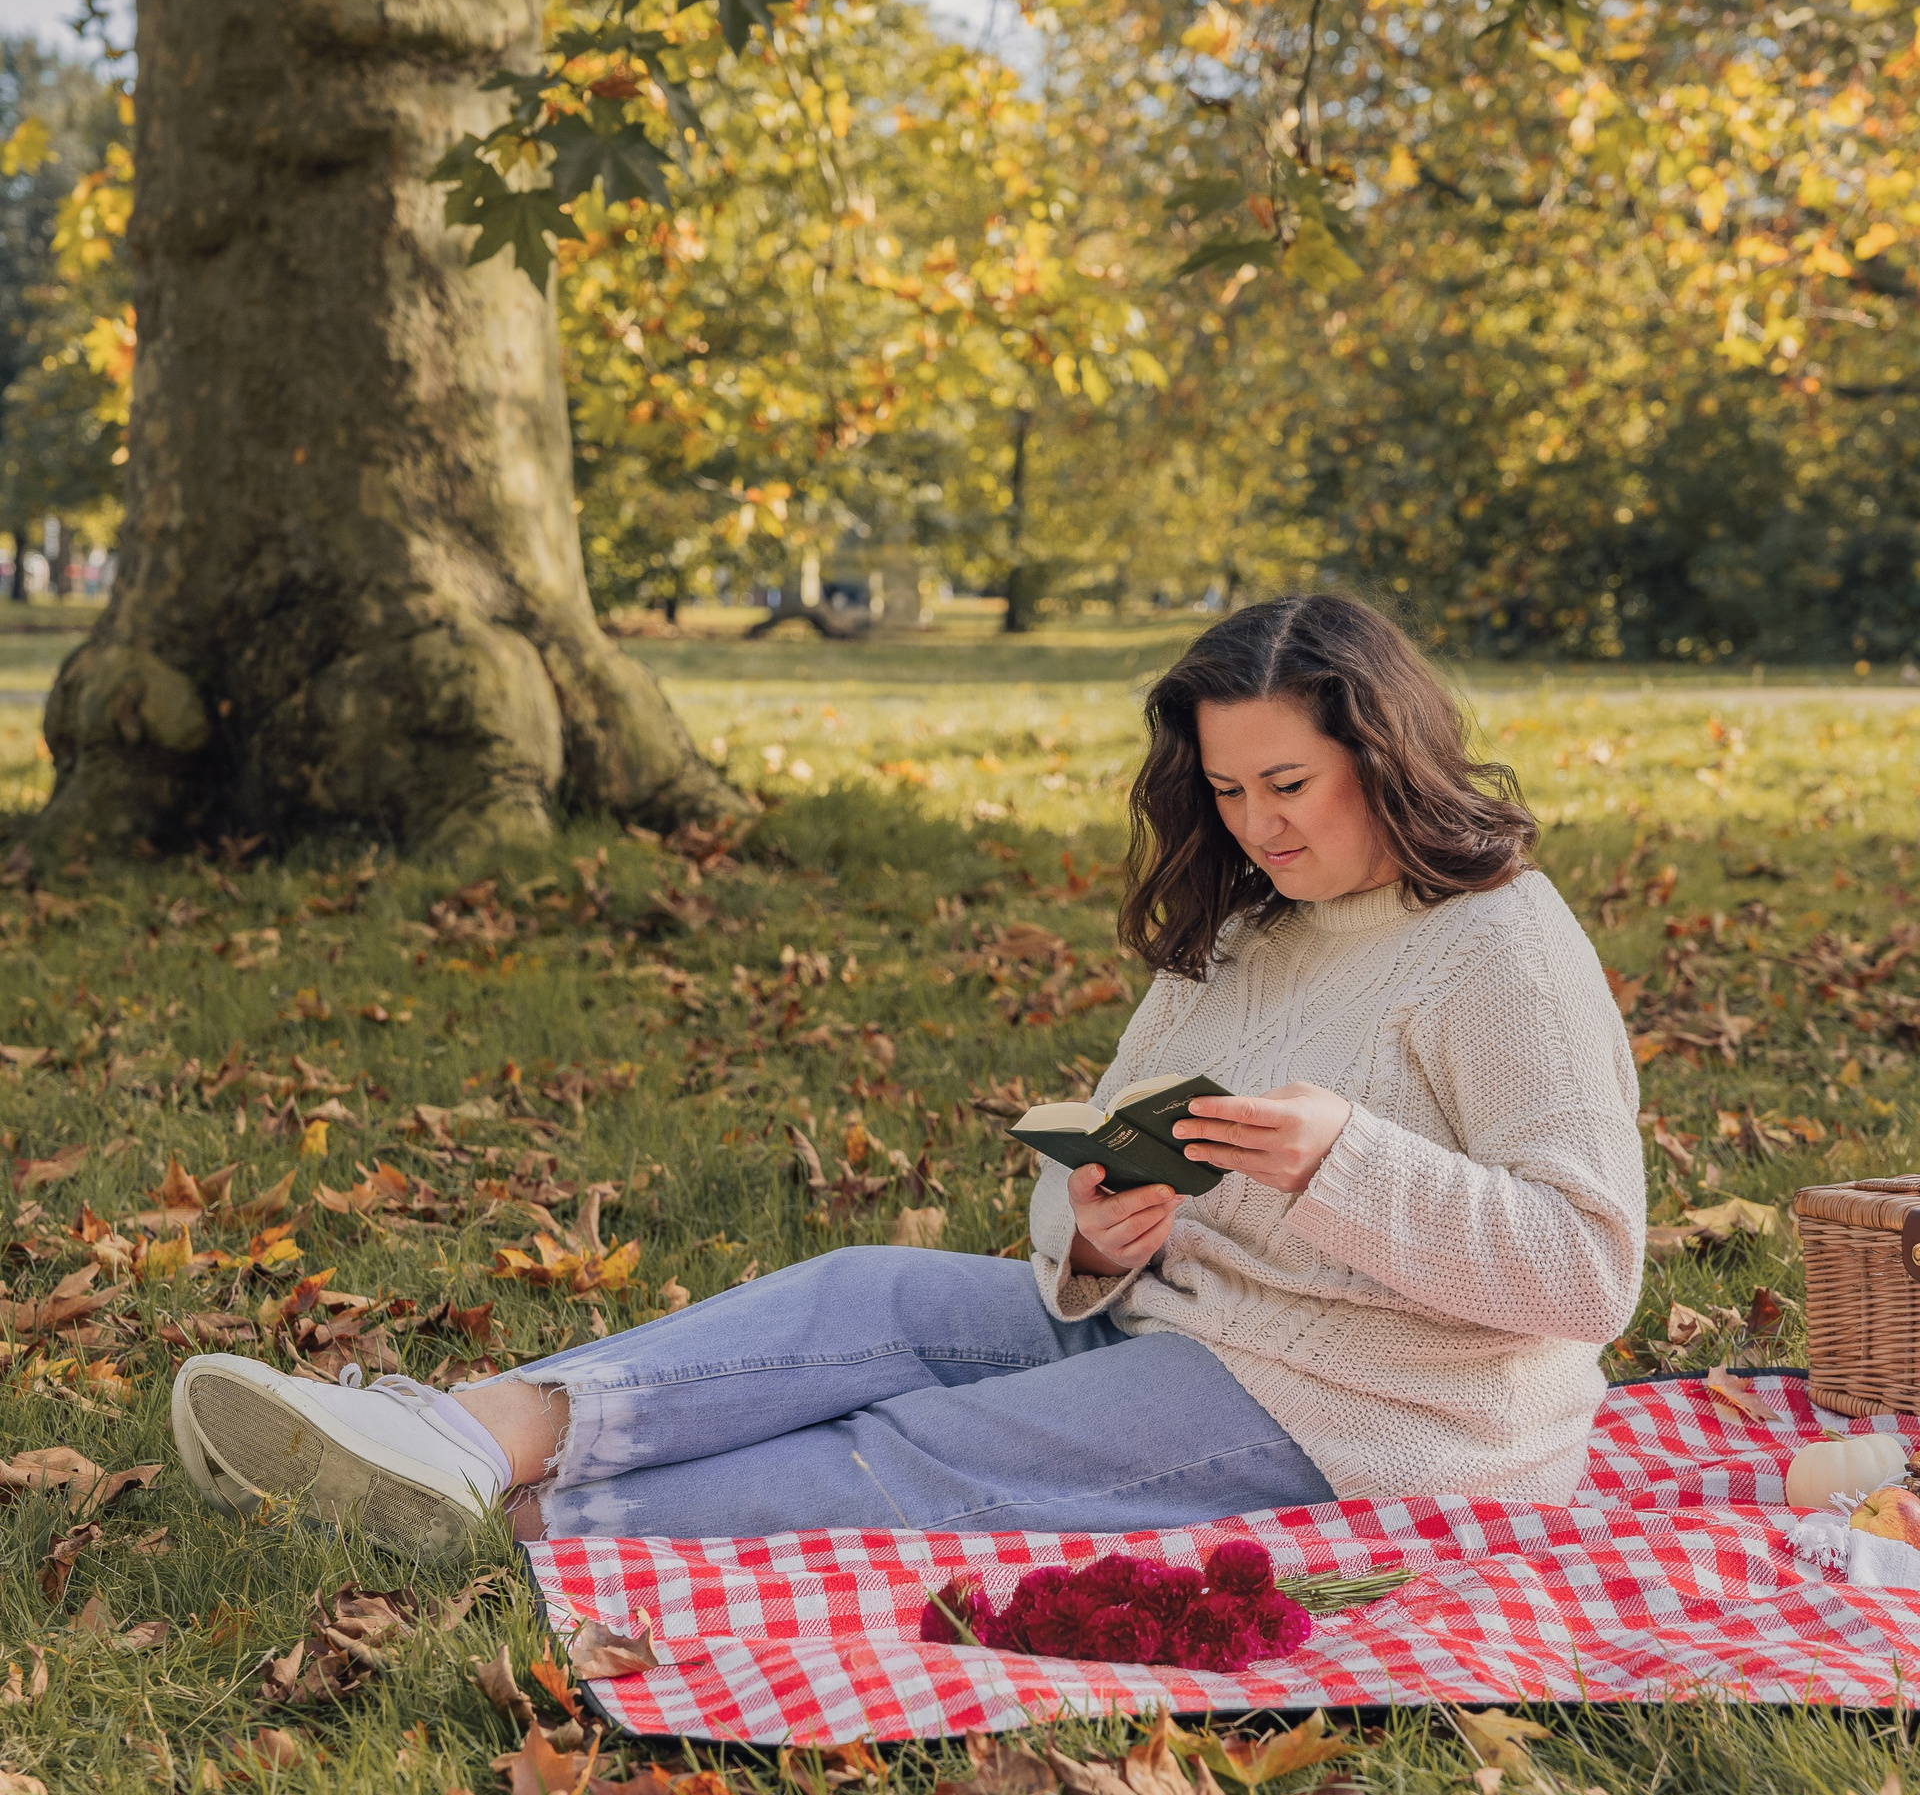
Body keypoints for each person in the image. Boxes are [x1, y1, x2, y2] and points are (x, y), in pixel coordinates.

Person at [169, 592, 1645, 1555]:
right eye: (1226, 790)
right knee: (860, 1294)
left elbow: (1589, 1271)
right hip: (1185, 1328)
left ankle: (499, 1529)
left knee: (913, 1454)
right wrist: (1094, 1232)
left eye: (1289, 785)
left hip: (1380, 1422)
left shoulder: (1497, 945)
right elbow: (1095, 1161)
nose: (1258, 826)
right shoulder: (1250, 928)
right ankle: (455, 1439)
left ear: (1382, 753)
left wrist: (1343, 1163)